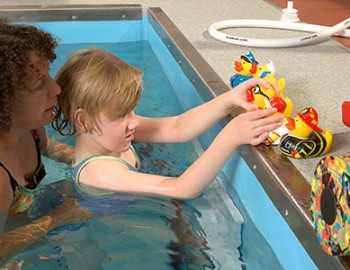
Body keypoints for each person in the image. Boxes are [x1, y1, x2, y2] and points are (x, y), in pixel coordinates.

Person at [53, 47, 284, 199]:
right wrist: (230, 136)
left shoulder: (107, 133)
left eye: (132, 111)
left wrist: (228, 100)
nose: (134, 122)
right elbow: (181, 188)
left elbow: (177, 128)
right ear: (83, 120)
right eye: (122, 114)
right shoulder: (98, 172)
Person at [0, 20, 91, 266]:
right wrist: (56, 218)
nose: (56, 88)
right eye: (38, 84)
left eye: (48, 75)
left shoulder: (29, 128)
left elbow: (48, 148)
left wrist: (93, 159)